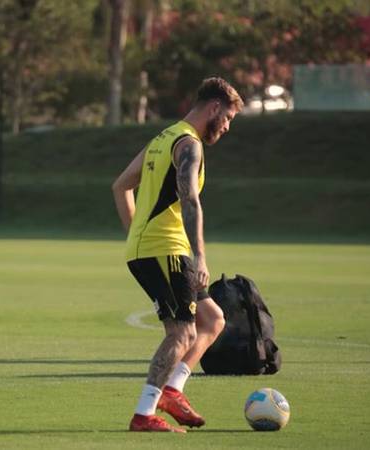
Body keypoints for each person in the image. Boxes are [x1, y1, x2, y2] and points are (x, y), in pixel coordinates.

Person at [112, 77, 243, 432]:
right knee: (181, 333)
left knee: (212, 319)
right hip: (167, 250)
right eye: (228, 117)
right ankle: (144, 414)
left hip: (155, 248)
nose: (228, 126)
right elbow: (190, 199)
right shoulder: (189, 144)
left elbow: (120, 186)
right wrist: (199, 255)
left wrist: (136, 237)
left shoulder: (163, 138)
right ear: (214, 108)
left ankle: (172, 390)